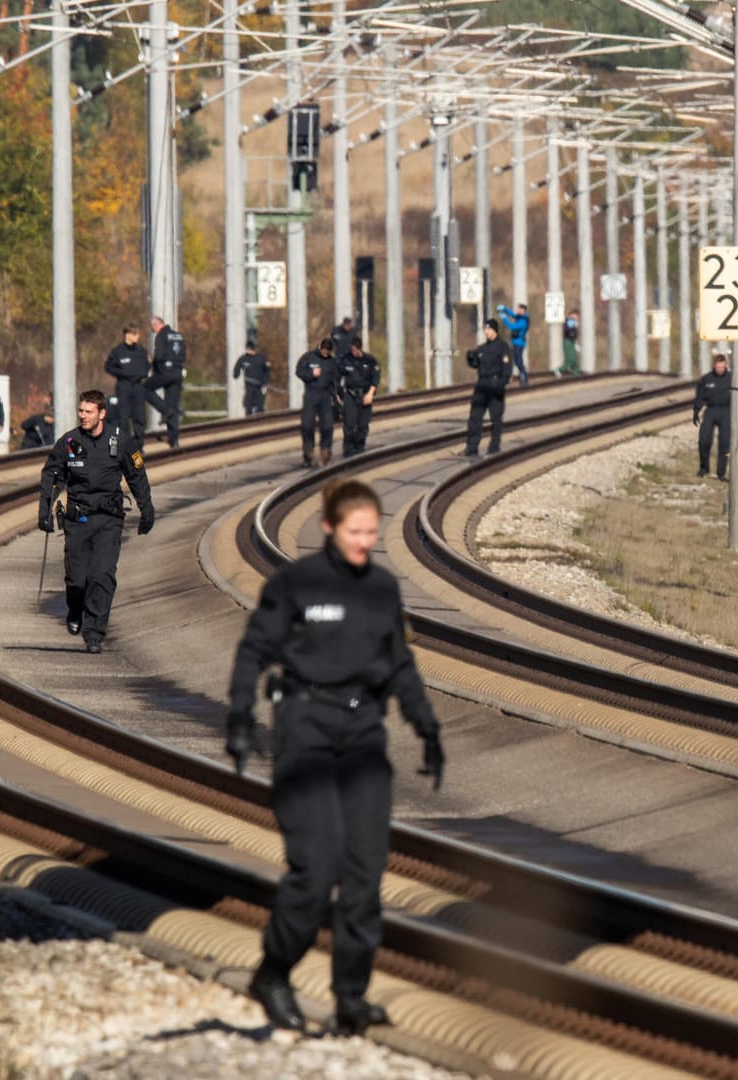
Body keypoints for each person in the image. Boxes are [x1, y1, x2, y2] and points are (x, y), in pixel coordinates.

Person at [226, 479, 445, 1035]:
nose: (364, 542)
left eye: (372, 533)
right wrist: (238, 716)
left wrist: (427, 727)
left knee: (366, 873)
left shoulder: (381, 589)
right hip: (305, 729)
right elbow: (254, 648)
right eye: (355, 532)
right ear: (329, 528)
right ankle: (273, 972)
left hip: (363, 733)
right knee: (316, 867)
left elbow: (399, 663)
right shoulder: (296, 584)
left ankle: (351, 996)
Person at [37, 390, 155, 654]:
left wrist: (147, 510)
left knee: (101, 575)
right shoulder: (68, 441)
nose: (83, 416)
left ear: (102, 414)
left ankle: (94, 633)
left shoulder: (121, 441)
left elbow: (137, 476)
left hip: (108, 519)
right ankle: (75, 610)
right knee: (77, 580)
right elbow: (52, 475)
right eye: (81, 411)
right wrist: (44, 511)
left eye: (89, 412)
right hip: (77, 518)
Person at [464, 319, 513, 458]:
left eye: (489, 329)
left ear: (495, 330)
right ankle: (472, 447)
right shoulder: (482, 348)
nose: (487, 332)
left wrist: (500, 384)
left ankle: (494, 447)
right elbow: (475, 365)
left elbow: (507, 369)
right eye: (485, 329)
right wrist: (470, 358)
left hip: (495, 385)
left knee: (496, 418)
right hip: (482, 385)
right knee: (475, 417)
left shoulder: (503, 347)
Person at [146, 315, 187, 448]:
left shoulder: (161, 336)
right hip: (178, 373)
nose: (153, 330)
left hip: (165, 372)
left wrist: (153, 367)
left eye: (153, 327)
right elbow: (183, 354)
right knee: (173, 405)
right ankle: (174, 440)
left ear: (157, 324)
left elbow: (158, 356)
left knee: (144, 388)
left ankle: (164, 410)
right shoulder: (178, 336)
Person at [104, 323, 151, 437]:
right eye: (135, 334)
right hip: (124, 387)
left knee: (139, 417)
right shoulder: (118, 351)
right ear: (127, 334)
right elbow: (108, 367)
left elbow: (147, 365)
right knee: (123, 418)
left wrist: (142, 373)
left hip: (138, 386)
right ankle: (126, 445)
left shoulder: (141, 351)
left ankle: (139, 445)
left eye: (138, 334)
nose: (137, 337)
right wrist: (123, 373)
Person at [297, 338, 338, 468]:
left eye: (328, 352)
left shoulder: (332, 362)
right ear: (320, 347)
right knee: (307, 425)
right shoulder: (308, 357)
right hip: (311, 394)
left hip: (325, 396)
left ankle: (326, 452)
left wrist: (336, 395)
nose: (325, 353)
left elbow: (334, 381)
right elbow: (299, 372)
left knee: (327, 425)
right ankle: (308, 454)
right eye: (324, 350)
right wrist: (311, 374)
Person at [693, 353, 733, 480]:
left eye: (722, 367)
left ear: (725, 365)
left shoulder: (732, 378)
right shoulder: (706, 379)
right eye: (717, 368)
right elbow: (699, 397)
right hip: (711, 410)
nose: (720, 370)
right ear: (714, 366)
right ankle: (704, 467)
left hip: (726, 412)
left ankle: (721, 472)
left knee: (725, 444)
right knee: (704, 440)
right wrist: (696, 411)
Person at [337, 337, 380, 457]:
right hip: (350, 395)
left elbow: (375, 379)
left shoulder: (370, 360)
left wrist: (370, 394)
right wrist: (338, 394)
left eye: (355, 350)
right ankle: (348, 450)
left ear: (359, 348)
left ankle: (360, 448)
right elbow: (337, 376)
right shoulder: (346, 360)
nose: (353, 352)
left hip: (365, 395)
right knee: (349, 424)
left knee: (363, 425)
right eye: (352, 350)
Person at [233, 341, 272, 416]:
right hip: (249, 385)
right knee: (248, 405)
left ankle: (260, 420)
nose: (248, 351)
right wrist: (236, 374)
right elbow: (237, 367)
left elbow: (267, 371)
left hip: (259, 385)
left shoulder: (261, 358)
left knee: (260, 405)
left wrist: (265, 382)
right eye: (247, 349)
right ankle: (248, 420)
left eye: (250, 349)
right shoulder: (244, 358)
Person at [496, 301, 531, 386]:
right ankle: (516, 376)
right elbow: (512, 314)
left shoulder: (523, 321)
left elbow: (511, 326)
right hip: (515, 342)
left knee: (518, 361)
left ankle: (524, 377)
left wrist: (503, 317)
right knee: (514, 360)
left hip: (519, 343)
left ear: (523, 310)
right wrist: (504, 308)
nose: (518, 311)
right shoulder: (520, 317)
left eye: (520, 309)